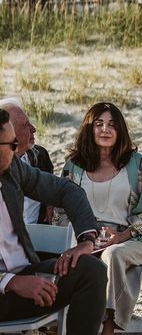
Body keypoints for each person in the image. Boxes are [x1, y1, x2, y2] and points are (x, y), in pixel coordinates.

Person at [58, 102, 142, 335]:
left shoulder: (136, 163)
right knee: (73, 256)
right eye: (99, 124)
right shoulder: (73, 166)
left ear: (120, 130)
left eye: (112, 125)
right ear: (89, 128)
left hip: (131, 238)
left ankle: (109, 325)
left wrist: (122, 236)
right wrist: (83, 238)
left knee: (113, 254)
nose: (105, 129)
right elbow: (62, 211)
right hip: (86, 237)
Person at [0, 108, 107, 334]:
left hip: (28, 276)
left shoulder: (12, 168)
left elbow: (66, 191)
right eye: (11, 145)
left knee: (90, 270)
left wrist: (86, 240)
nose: (17, 149)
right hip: (7, 288)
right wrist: (10, 282)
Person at [0, 98, 54, 224]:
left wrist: (50, 203)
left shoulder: (41, 156)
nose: (34, 129)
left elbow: (52, 188)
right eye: (25, 125)